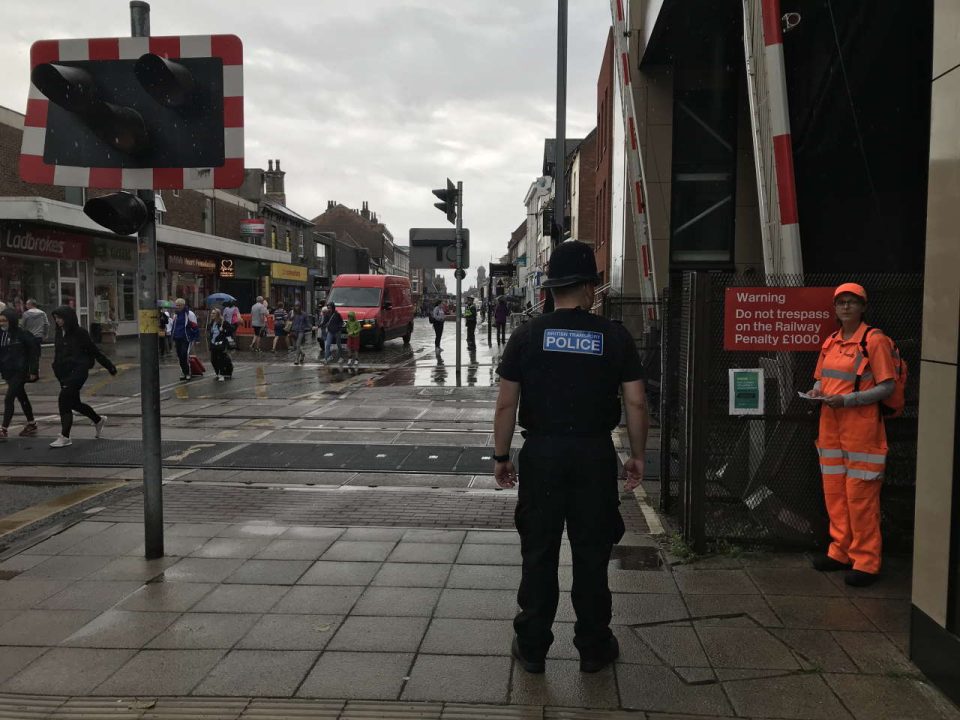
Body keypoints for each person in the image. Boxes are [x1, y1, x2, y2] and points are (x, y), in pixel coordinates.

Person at [493, 240, 648, 675]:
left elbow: (506, 404)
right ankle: (595, 647)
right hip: (594, 456)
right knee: (591, 555)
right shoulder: (614, 336)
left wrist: (501, 455)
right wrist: (636, 455)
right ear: (586, 287)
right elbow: (635, 403)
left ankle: (533, 647)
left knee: (539, 553)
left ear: (552, 287)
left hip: (542, 455)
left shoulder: (527, 335)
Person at [806, 283, 896, 587]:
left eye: (852, 302)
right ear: (835, 308)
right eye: (841, 302)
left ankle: (867, 562)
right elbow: (821, 378)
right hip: (831, 424)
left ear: (862, 307)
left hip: (861, 426)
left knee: (861, 497)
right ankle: (840, 551)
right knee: (835, 494)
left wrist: (849, 400)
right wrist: (816, 392)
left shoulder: (874, 340)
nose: (845, 307)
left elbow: (888, 387)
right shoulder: (831, 341)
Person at [50, 306, 117, 448]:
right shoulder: (58, 333)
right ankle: (98, 420)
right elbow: (58, 353)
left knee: (63, 400)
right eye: (55, 318)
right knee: (74, 403)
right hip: (64, 373)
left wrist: (109, 366)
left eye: (60, 318)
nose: (57, 321)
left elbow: (94, 351)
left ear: (68, 318)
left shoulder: (80, 333)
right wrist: (56, 367)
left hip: (78, 371)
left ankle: (65, 437)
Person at [0, 308, 40, 438]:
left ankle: (4, 428)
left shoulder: (22, 334)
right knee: (21, 396)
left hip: (20, 371)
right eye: (0, 321)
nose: (2, 323)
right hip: (8, 371)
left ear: (11, 320)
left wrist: (33, 370)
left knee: (9, 398)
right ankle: (31, 423)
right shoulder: (1, 334)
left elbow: (34, 352)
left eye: (4, 321)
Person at [171, 298, 199, 381]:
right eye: (177, 305)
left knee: (184, 354)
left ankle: (187, 372)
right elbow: (174, 326)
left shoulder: (189, 314)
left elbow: (195, 326)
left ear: (183, 305)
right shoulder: (175, 315)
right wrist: (172, 336)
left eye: (179, 305)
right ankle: (184, 372)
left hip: (186, 338)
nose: (178, 307)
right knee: (180, 356)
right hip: (177, 338)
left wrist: (196, 338)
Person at [208, 308, 234, 381]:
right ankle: (218, 373)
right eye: (211, 313)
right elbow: (211, 333)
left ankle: (222, 374)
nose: (212, 315)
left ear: (218, 314)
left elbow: (231, 330)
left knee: (221, 359)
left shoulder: (223, 322)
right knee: (213, 360)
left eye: (213, 313)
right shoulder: (212, 323)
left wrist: (224, 330)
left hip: (221, 344)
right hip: (213, 343)